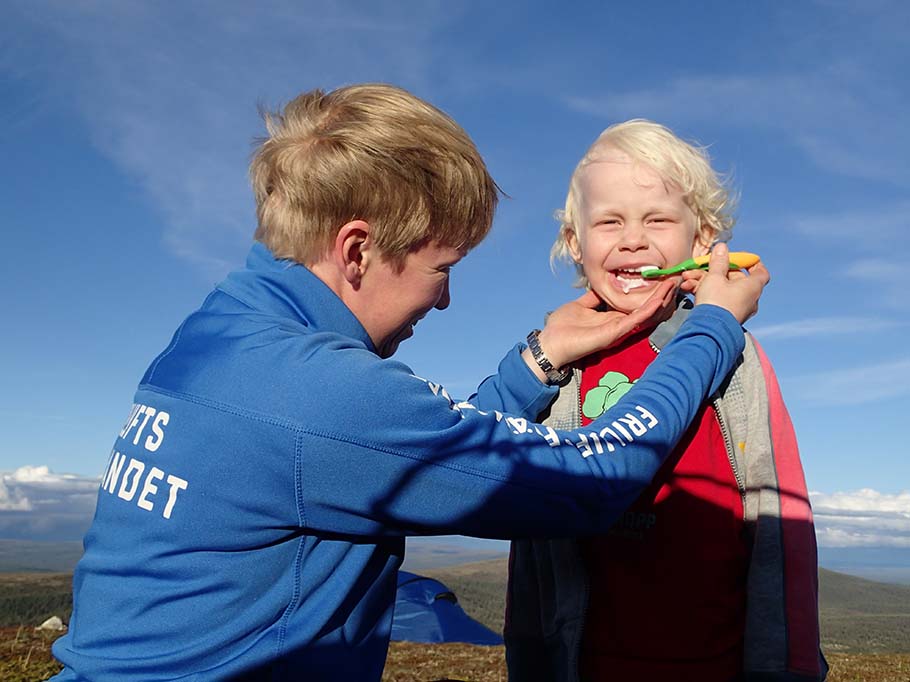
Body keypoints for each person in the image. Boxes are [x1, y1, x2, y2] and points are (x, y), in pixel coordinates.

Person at [50, 86, 767, 682]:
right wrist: (710, 328)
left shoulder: (222, 334)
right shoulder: (317, 394)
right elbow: (594, 479)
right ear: (358, 249)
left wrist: (540, 359)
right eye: (443, 268)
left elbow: (406, 452)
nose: (445, 301)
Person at [504, 120, 826, 682]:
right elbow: (525, 533)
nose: (633, 239)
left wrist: (790, 665)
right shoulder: (558, 356)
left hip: (716, 664)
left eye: (657, 219)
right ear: (576, 244)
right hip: (581, 662)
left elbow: (781, 512)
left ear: (701, 242)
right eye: (609, 222)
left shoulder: (736, 354)